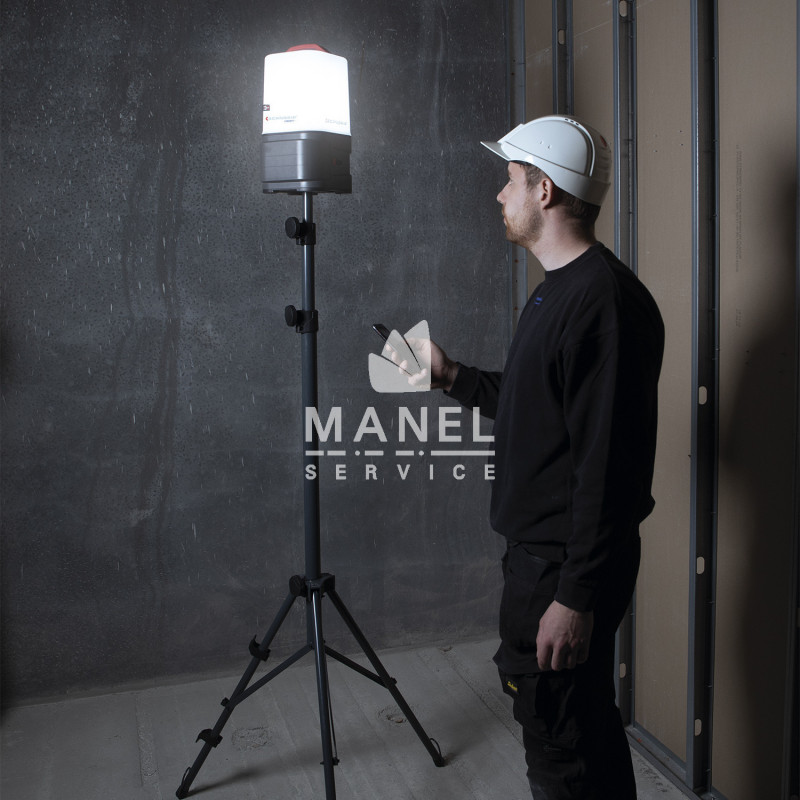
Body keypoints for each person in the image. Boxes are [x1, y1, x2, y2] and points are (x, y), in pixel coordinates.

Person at [413, 116, 665, 799]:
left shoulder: (602, 304)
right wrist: (450, 376)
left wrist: (574, 596)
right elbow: (538, 407)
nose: (501, 194)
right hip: (544, 561)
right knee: (580, 725)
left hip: (561, 568)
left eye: (511, 180)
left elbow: (608, 468)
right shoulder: (560, 289)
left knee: (560, 739)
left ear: (544, 191)